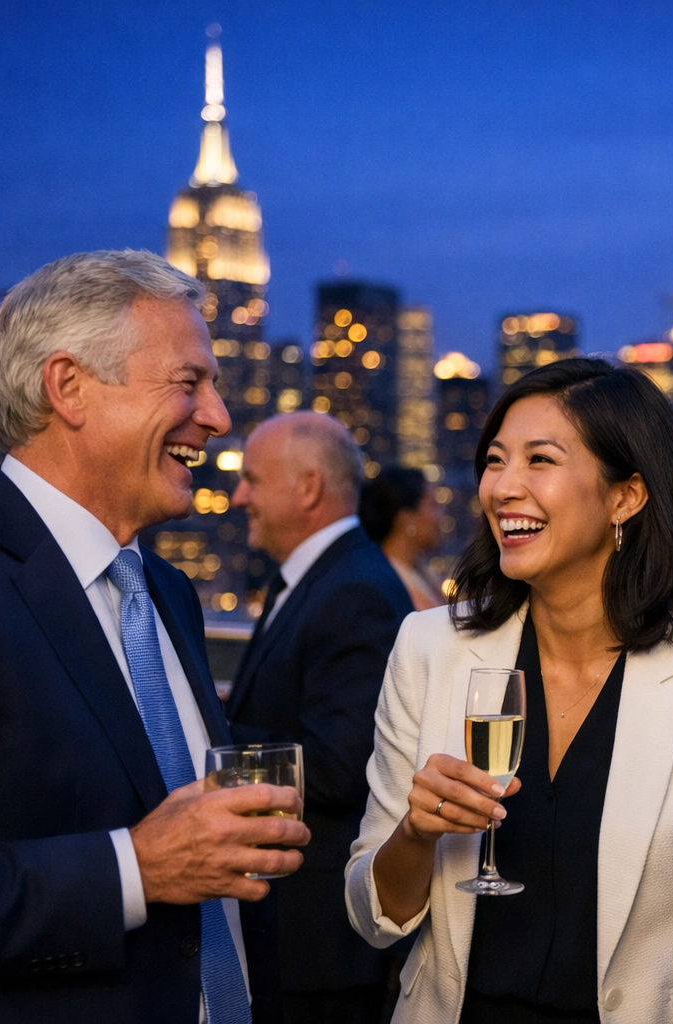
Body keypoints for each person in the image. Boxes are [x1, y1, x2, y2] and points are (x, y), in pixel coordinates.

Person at [0, 250, 308, 1022]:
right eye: (189, 382)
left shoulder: (166, 591)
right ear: (68, 387)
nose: (219, 416)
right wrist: (135, 869)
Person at [345, 359, 673, 1023]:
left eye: (540, 460)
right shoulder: (429, 649)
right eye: (495, 461)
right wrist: (417, 833)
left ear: (626, 497)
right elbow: (373, 918)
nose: (504, 488)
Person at [226, 411, 415, 1023]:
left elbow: (339, 765)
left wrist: (207, 739)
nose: (239, 497)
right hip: (296, 937)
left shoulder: (354, 590)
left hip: (317, 945)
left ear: (308, 487)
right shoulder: (325, 579)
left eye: (252, 480)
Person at [361, 466, 444, 611]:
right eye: (433, 505)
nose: (440, 516)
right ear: (407, 519)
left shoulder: (417, 571)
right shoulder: (389, 585)